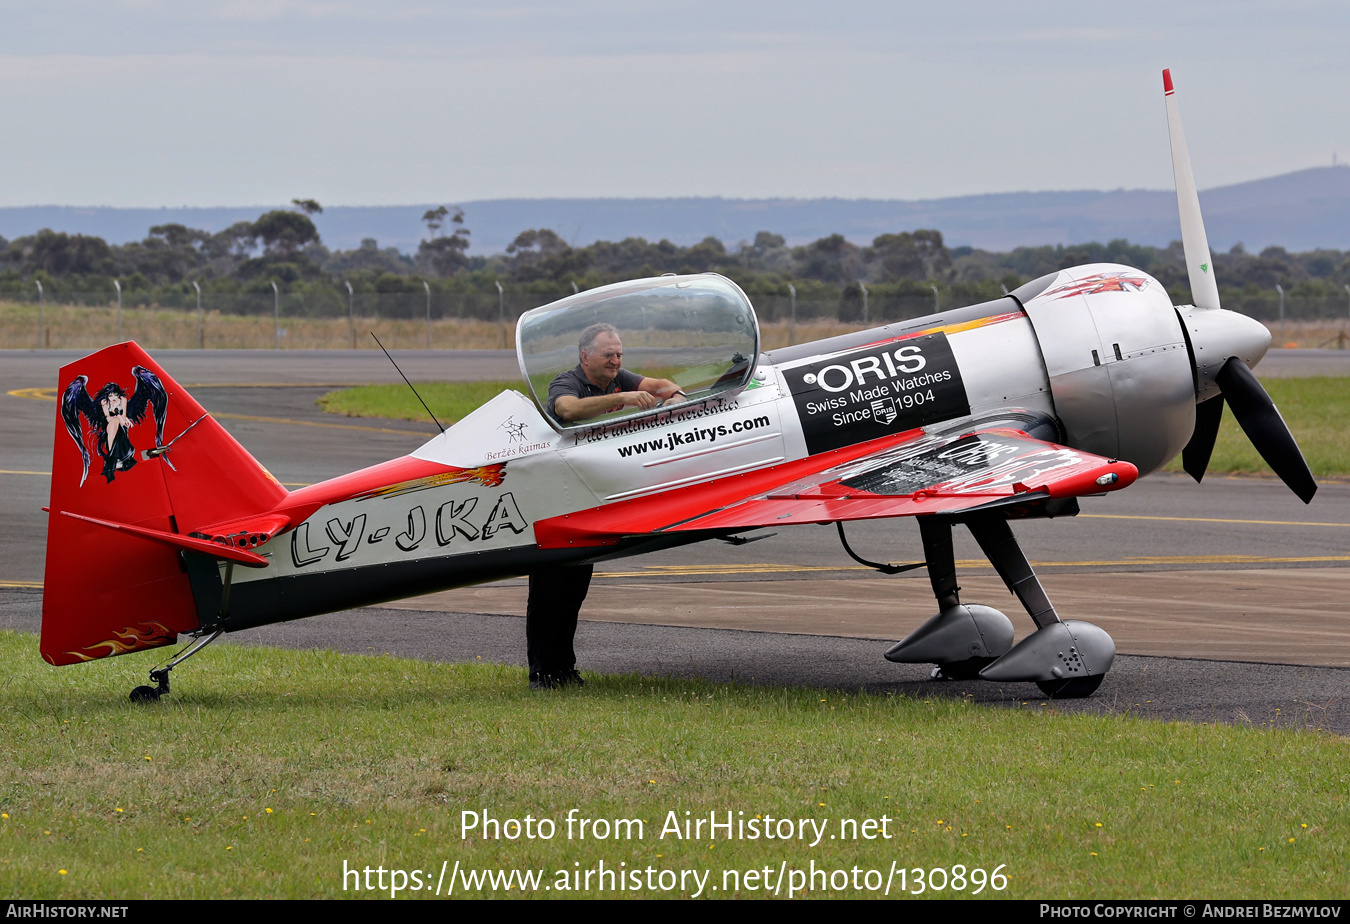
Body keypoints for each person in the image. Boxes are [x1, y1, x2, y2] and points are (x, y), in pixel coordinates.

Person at [528, 323, 685, 689]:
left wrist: (675, 396)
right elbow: (568, 410)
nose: (616, 361)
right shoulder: (567, 383)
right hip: (554, 500)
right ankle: (542, 672)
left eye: (619, 355)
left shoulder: (620, 376)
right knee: (549, 593)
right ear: (585, 357)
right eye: (608, 355)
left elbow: (660, 384)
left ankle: (564, 669)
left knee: (573, 594)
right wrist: (625, 399)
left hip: (589, 502)